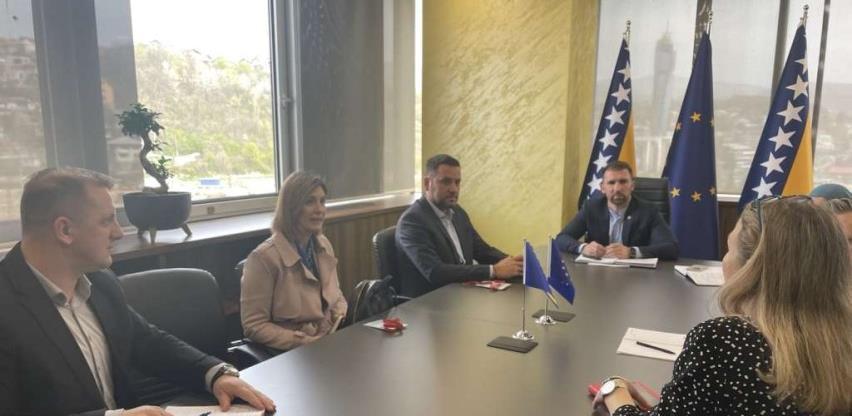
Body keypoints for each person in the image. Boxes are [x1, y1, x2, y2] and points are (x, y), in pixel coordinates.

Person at [0, 168, 275, 416]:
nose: (119, 233)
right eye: (107, 221)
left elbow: (146, 341)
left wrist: (214, 374)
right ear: (65, 229)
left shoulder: (100, 282)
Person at [593, 196, 852, 416]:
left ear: (752, 267)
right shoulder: (843, 341)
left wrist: (615, 391)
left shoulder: (724, 339)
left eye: (729, 249)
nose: (725, 260)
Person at [241, 171, 347, 353]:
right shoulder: (263, 258)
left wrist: (340, 316)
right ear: (291, 207)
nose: (319, 209)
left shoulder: (324, 245)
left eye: (322, 201)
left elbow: (337, 297)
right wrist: (303, 341)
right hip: (290, 351)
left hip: (326, 342)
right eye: (309, 202)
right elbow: (254, 325)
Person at [395, 154, 523, 298]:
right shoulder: (412, 221)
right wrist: (493, 270)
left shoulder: (457, 212)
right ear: (427, 183)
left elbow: (482, 251)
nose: (454, 189)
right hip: (430, 302)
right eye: (446, 182)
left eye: (457, 182)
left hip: (461, 294)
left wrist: (514, 264)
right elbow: (435, 272)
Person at [555, 161, 678, 260]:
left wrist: (631, 252)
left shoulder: (648, 211)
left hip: (636, 276)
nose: (617, 188)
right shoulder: (591, 208)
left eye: (623, 182)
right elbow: (561, 238)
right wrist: (583, 248)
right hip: (597, 274)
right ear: (602, 188)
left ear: (632, 186)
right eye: (611, 183)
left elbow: (671, 248)